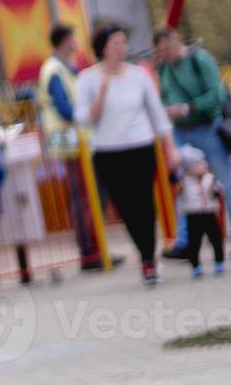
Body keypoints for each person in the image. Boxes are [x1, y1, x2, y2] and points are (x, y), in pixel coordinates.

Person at [75, 23, 178, 286]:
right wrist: (100, 97)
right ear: (103, 49)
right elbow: (83, 118)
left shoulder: (138, 75)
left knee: (145, 205)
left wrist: (170, 148)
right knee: (126, 208)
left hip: (141, 148)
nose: (122, 48)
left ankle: (148, 259)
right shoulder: (88, 79)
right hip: (109, 153)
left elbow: (157, 113)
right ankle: (145, 252)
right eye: (116, 44)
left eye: (124, 43)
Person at [153, 27, 231, 257]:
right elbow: (163, 96)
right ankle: (184, 242)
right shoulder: (164, 67)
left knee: (225, 180)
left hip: (208, 127)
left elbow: (217, 94)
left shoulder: (200, 60)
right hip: (180, 131)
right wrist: (169, 110)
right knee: (183, 186)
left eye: (166, 49)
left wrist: (190, 107)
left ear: (176, 41)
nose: (164, 54)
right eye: (160, 51)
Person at [40, 23, 115, 271]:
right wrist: (88, 114)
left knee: (87, 193)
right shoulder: (54, 70)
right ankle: (90, 251)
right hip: (71, 140)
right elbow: (65, 108)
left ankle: (96, 247)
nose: (77, 42)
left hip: (77, 139)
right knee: (84, 195)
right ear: (65, 41)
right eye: (73, 38)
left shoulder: (63, 69)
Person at [175, 145, 226, 277]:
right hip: (193, 214)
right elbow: (177, 190)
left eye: (203, 162)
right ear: (189, 168)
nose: (202, 165)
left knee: (215, 239)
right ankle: (195, 265)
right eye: (198, 164)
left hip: (209, 212)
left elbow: (218, 192)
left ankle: (219, 261)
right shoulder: (184, 181)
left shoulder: (210, 178)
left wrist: (216, 191)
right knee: (194, 242)